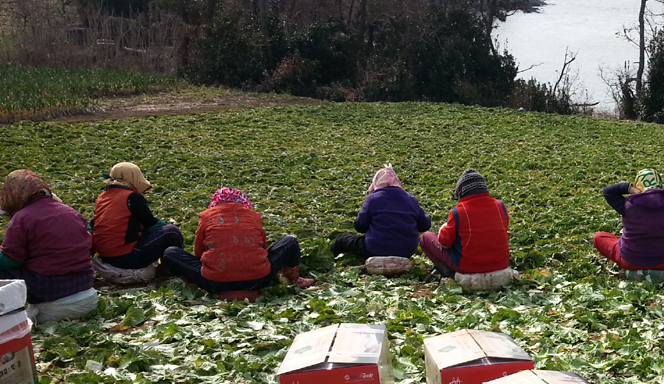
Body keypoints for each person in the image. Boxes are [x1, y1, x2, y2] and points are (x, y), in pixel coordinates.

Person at [162, 188, 315, 295]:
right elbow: (263, 246)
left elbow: (199, 251)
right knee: (290, 241)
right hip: (259, 279)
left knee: (170, 253)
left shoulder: (207, 217)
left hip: (215, 282)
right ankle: (294, 279)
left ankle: (188, 280)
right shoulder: (254, 216)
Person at [0, 169, 95, 303]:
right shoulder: (71, 212)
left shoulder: (21, 218)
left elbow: (11, 260)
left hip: (48, 287)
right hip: (84, 280)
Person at [593, 168, 664, 271]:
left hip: (629, 261)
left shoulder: (629, 204)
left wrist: (629, 188)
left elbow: (608, 192)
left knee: (599, 237)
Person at [90, 162, 183, 269]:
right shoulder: (132, 197)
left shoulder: (102, 197)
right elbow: (151, 224)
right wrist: (165, 227)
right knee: (172, 231)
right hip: (126, 258)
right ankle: (173, 266)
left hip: (106, 257)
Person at [419, 169, 510, 276]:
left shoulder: (458, 211)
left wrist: (444, 228)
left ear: (461, 192)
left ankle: (451, 274)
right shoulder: (500, 206)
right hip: (501, 263)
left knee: (426, 238)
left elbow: (445, 242)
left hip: (468, 266)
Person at [331, 165, 431, 261]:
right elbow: (425, 225)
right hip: (406, 251)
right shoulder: (411, 199)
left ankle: (328, 260)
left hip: (375, 249)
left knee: (343, 239)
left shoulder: (373, 199)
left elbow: (360, 226)